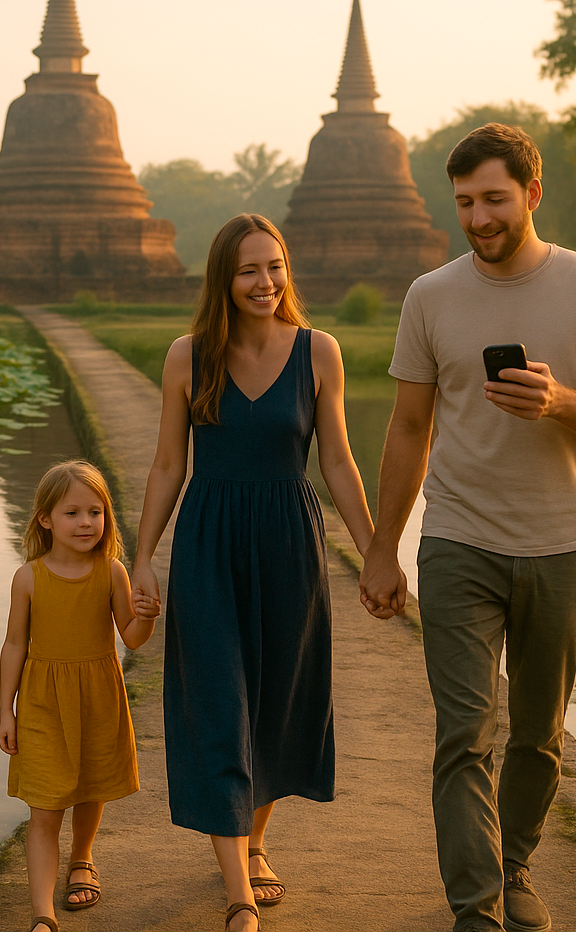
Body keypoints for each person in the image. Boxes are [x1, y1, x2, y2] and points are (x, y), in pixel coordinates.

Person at [359, 123, 576, 932]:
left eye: (493, 198)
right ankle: (476, 909)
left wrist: (561, 402)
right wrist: (385, 548)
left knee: (539, 737)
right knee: (462, 734)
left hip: (562, 545)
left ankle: (513, 861)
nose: (479, 217)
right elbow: (409, 430)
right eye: (463, 203)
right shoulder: (431, 295)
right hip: (457, 543)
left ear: (532, 191)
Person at [131, 213, 376, 932]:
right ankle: (238, 890)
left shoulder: (319, 352)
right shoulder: (187, 356)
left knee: (277, 698)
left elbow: (337, 461)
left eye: (274, 266)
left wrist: (374, 553)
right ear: (224, 280)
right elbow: (169, 464)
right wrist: (141, 557)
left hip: (288, 543)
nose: (264, 282)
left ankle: (257, 840)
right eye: (248, 270)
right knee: (217, 702)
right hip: (209, 542)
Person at [0, 459, 159, 932]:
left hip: (98, 697)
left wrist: (146, 614)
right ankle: (43, 915)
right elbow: (13, 646)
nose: (86, 522)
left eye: (95, 511)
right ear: (45, 519)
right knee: (45, 807)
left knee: (92, 785)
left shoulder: (111, 572)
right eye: (72, 513)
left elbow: (131, 637)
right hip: (42, 703)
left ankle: (83, 857)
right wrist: (5, 710)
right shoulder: (28, 578)